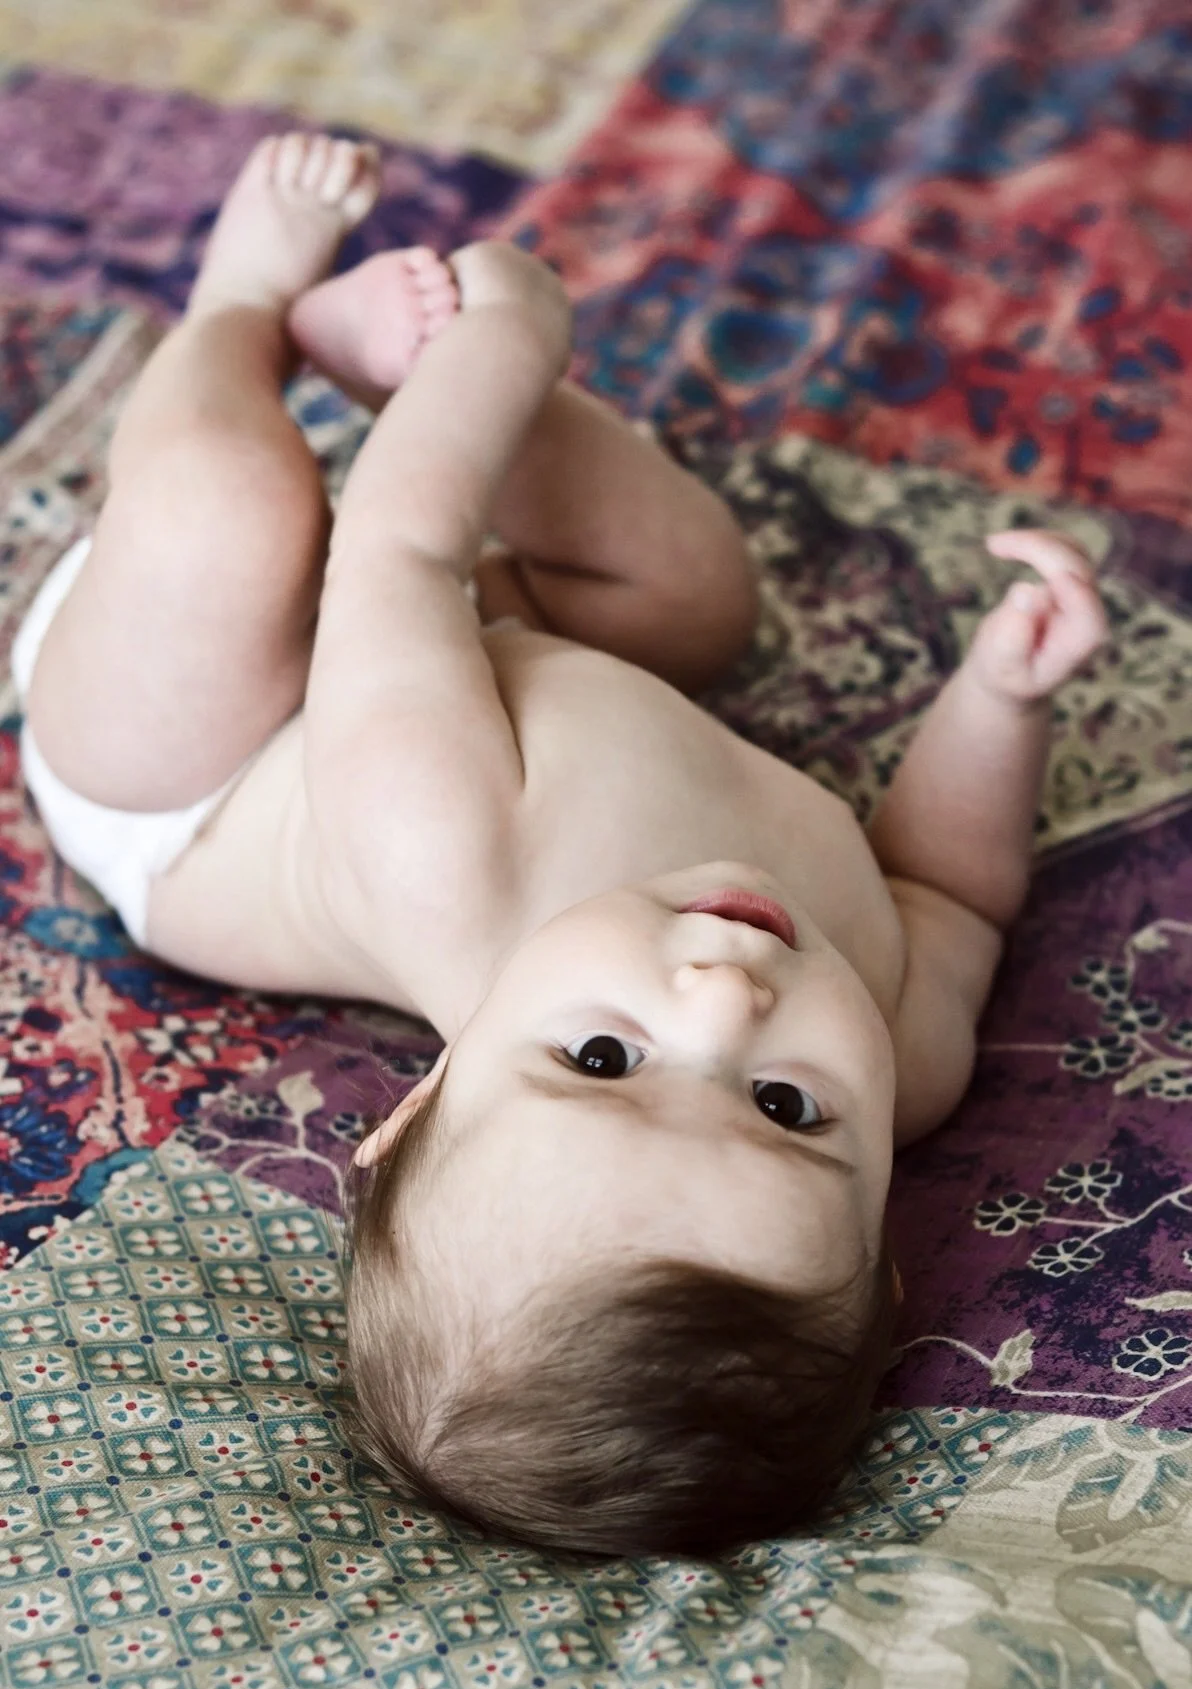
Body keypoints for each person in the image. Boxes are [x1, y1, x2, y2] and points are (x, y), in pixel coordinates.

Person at [15, 133, 1109, 1556]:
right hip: (500, 667)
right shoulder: (909, 1059)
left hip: (196, 757)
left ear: (423, 1102)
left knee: (234, 511)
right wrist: (1001, 696)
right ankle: (382, 367)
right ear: (881, 1250)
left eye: (604, 1063)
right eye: (786, 1110)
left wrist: (507, 343)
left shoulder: (437, 840)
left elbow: (398, 549)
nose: (725, 1001)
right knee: (696, 593)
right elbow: (948, 884)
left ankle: (243, 315)